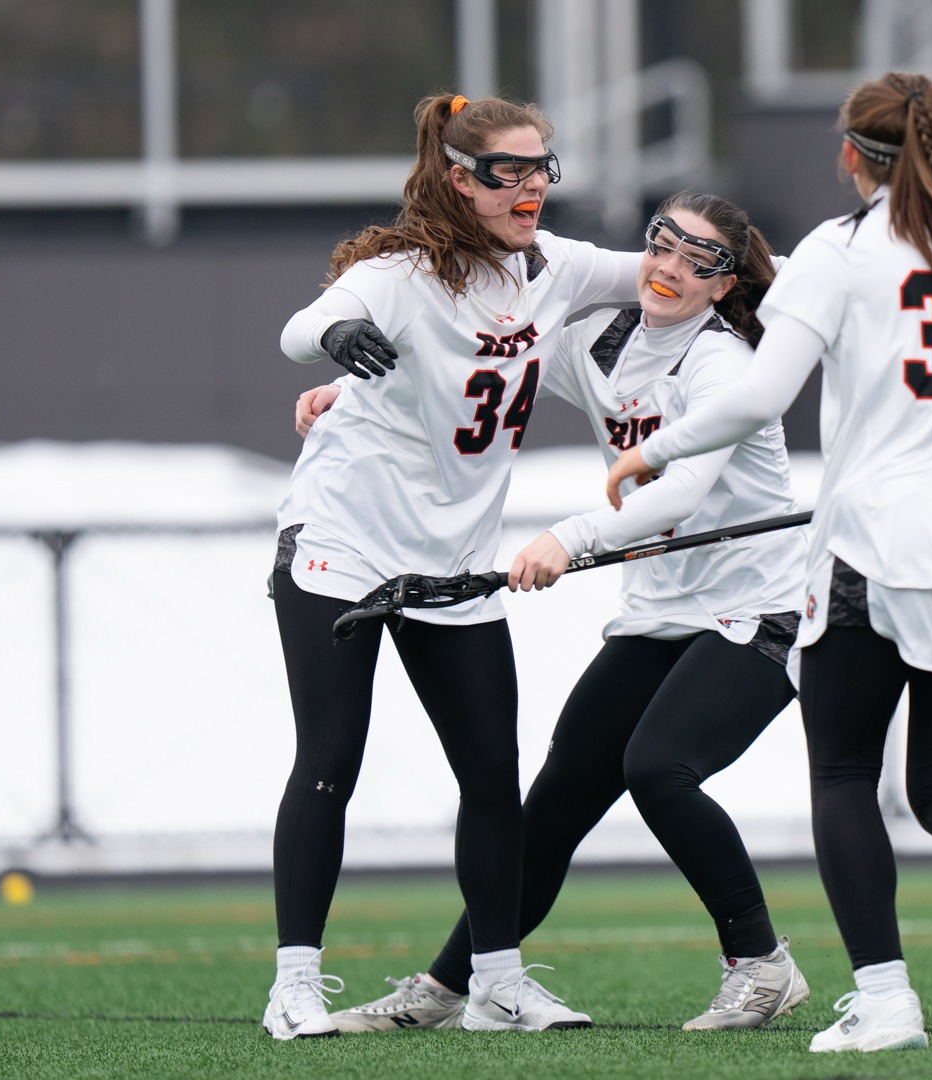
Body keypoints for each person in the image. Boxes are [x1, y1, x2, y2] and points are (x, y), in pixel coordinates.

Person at [603, 71, 932, 1053]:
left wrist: (651, 449)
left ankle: (885, 1004)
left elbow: (758, 397)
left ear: (850, 158)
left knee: (840, 774)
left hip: (872, 543)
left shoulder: (838, 250)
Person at [305, 192, 814, 1034]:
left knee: (660, 768)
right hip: (660, 610)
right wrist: (346, 389)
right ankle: (449, 986)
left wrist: (570, 539)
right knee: (554, 804)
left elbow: (681, 487)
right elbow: (475, 359)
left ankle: (761, 963)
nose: (671, 270)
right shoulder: (601, 340)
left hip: (754, 609)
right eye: (663, 246)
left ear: (725, 286)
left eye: (700, 262)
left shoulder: (723, 365)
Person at [264, 91, 642, 1040]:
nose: (532, 187)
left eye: (542, 167)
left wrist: (831, 275)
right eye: (508, 170)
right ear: (458, 178)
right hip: (342, 542)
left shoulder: (555, 269)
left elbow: (670, 273)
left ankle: (498, 982)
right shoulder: (396, 275)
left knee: (490, 774)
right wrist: (334, 342)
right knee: (330, 762)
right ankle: (296, 984)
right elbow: (300, 328)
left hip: (454, 559)